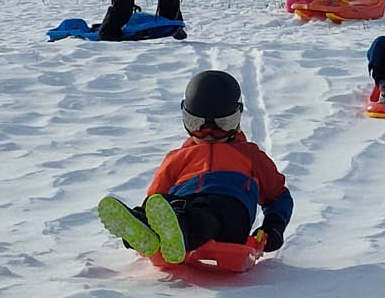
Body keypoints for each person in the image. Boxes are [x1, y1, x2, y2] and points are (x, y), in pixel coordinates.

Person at [97, 70, 294, 265]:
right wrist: (148, 210)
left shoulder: (250, 155)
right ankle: (143, 230)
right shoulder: (178, 157)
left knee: (205, 214)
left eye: (222, 125)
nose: (209, 134)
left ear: (237, 118)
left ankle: (178, 233)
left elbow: (278, 195)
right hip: (183, 206)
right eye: (197, 124)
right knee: (166, 205)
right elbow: (155, 198)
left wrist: (273, 227)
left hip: (229, 213)